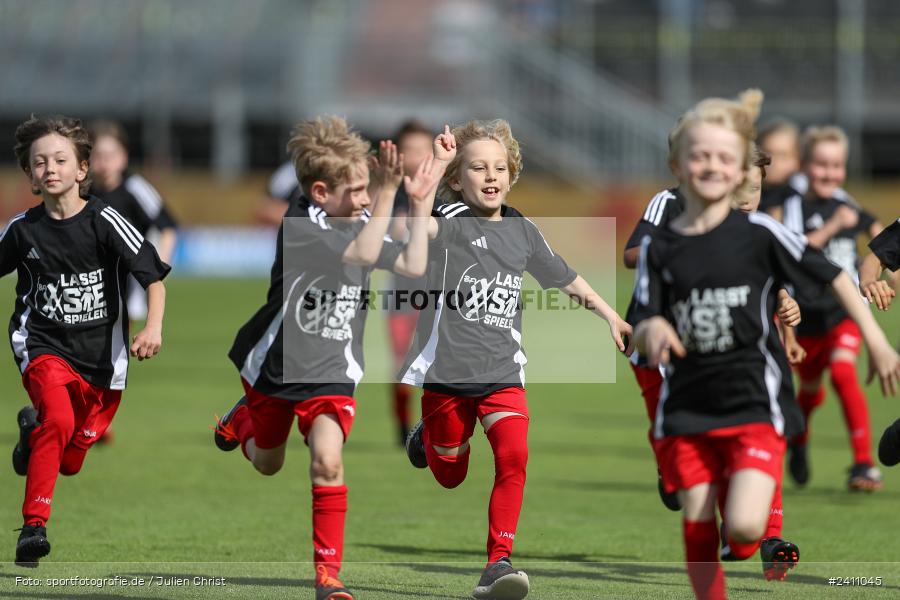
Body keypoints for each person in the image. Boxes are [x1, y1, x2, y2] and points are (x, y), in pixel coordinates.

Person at [631, 89, 900, 600]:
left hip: (753, 402)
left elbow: (836, 276)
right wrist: (655, 330)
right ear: (677, 165)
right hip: (687, 406)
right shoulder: (659, 246)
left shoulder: (761, 232)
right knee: (698, 519)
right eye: (700, 155)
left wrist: (878, 341)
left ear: (743, 172)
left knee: (749, 530)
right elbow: (644, 318)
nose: (712, 166)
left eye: (724, 157)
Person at [212, 116, 445, 600]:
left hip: (333, 368)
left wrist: (419, 203)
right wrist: (385, 193)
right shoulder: (302, 222)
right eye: (356, 190)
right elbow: (362, 254)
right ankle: (244, 423)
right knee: (267, 464)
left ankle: (328, 579)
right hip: (275, 367)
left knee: (327, 461)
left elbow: (412, 263)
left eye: (367, 188)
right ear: (319, 191)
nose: (363, 199)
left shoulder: (358, 217)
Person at [403, 119, 632, 600]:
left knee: (514, 458)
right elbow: (417, 232)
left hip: (503, 372)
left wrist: (609, 315)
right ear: (457, 179)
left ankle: (497, 563)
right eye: (478, 168)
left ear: (512, 175)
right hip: (446, 376)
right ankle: (430, 439)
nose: (491, 176)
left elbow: (566, 278)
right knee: (450, 475)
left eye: (500, 168)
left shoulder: (523, 229)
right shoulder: (451, 218)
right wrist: (434, 171)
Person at [6, 115, 169, 566]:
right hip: (42, 346)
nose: (50, 168)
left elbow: (153, 277)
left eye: (60, 159)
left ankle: (31, 434)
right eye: (40, 163)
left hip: (103, 360)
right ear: (31, 174)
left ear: (82, 169)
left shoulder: (106, 221)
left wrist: (152, 327)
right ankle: (33, 529)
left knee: (71, 459)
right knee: (56, 420)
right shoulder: (23, 230)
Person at [780, 126, 887, 491]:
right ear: (804, 165)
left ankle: (863, 464)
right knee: (808, 389)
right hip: (803, 318)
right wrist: (830, 228)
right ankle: (798, 440)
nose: (830, 173)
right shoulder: (789, 205)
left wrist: (886, 278)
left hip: (844, 313)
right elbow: (787, 249)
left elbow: (882, 241)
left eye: (837, 165)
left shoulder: (847, 204)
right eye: (821, 164)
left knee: (843, 374)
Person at [386, 120, 434, 445]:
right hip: (402, 293)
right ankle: (403, 428)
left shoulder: (445, 190)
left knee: (437, 365)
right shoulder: (389, 191)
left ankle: (431, 428)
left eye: (423, 149)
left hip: (438, 294)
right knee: (402, 364)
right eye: (411, 150)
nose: (417, 156)